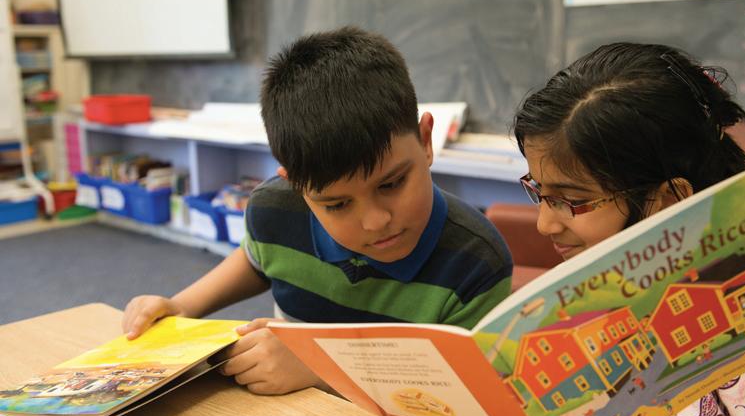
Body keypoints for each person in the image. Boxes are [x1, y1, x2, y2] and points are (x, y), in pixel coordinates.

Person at [122, 26, 513, 396]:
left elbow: (469, 395)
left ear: (426, 141)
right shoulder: (275, 209)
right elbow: (259, 260)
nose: (376, 221)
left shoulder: (475, 262)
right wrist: (184, 306)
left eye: (391, 184)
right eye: (337, 204)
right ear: (296, 186)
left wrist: (324, 368)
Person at [499, 42, 745, 416]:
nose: (545, 224)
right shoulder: (598, 289)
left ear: (668, 198)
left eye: (571, 201)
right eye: (538, 191)